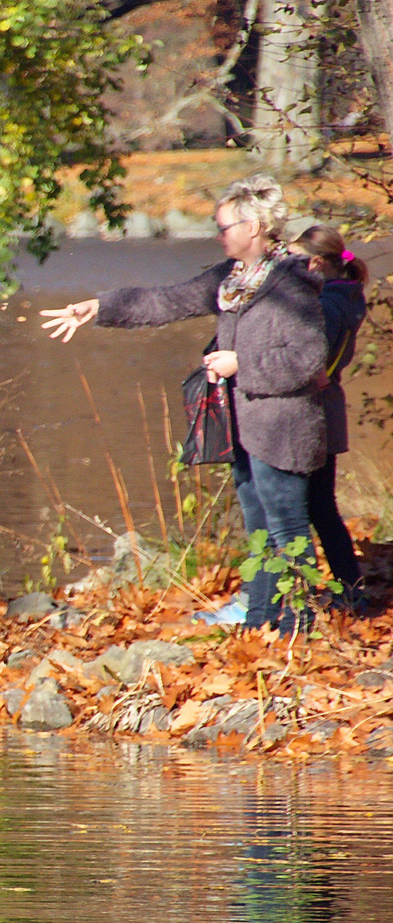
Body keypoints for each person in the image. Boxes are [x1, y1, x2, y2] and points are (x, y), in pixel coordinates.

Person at [40, 174, 328, 632]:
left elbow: (310, 358)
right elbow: (165, 300)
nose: (218, 235)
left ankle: (299, 629)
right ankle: (260, 624)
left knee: (287, 532)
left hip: (284, 428)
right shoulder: (230, 279)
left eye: (224, 226)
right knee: (259, 534)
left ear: (253, 227)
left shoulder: (294, 286)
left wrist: (242, 363)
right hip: (244, 428)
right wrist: (97, 308)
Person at [290, 224, 370, 606]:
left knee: (297, 508)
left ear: (316, 262)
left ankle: (306, 597)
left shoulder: (325, 304)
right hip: (329, 411)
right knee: (322, 507)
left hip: (312, 413)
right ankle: (351, 590)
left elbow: (310, 363)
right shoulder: (348, 296)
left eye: (293, 261)